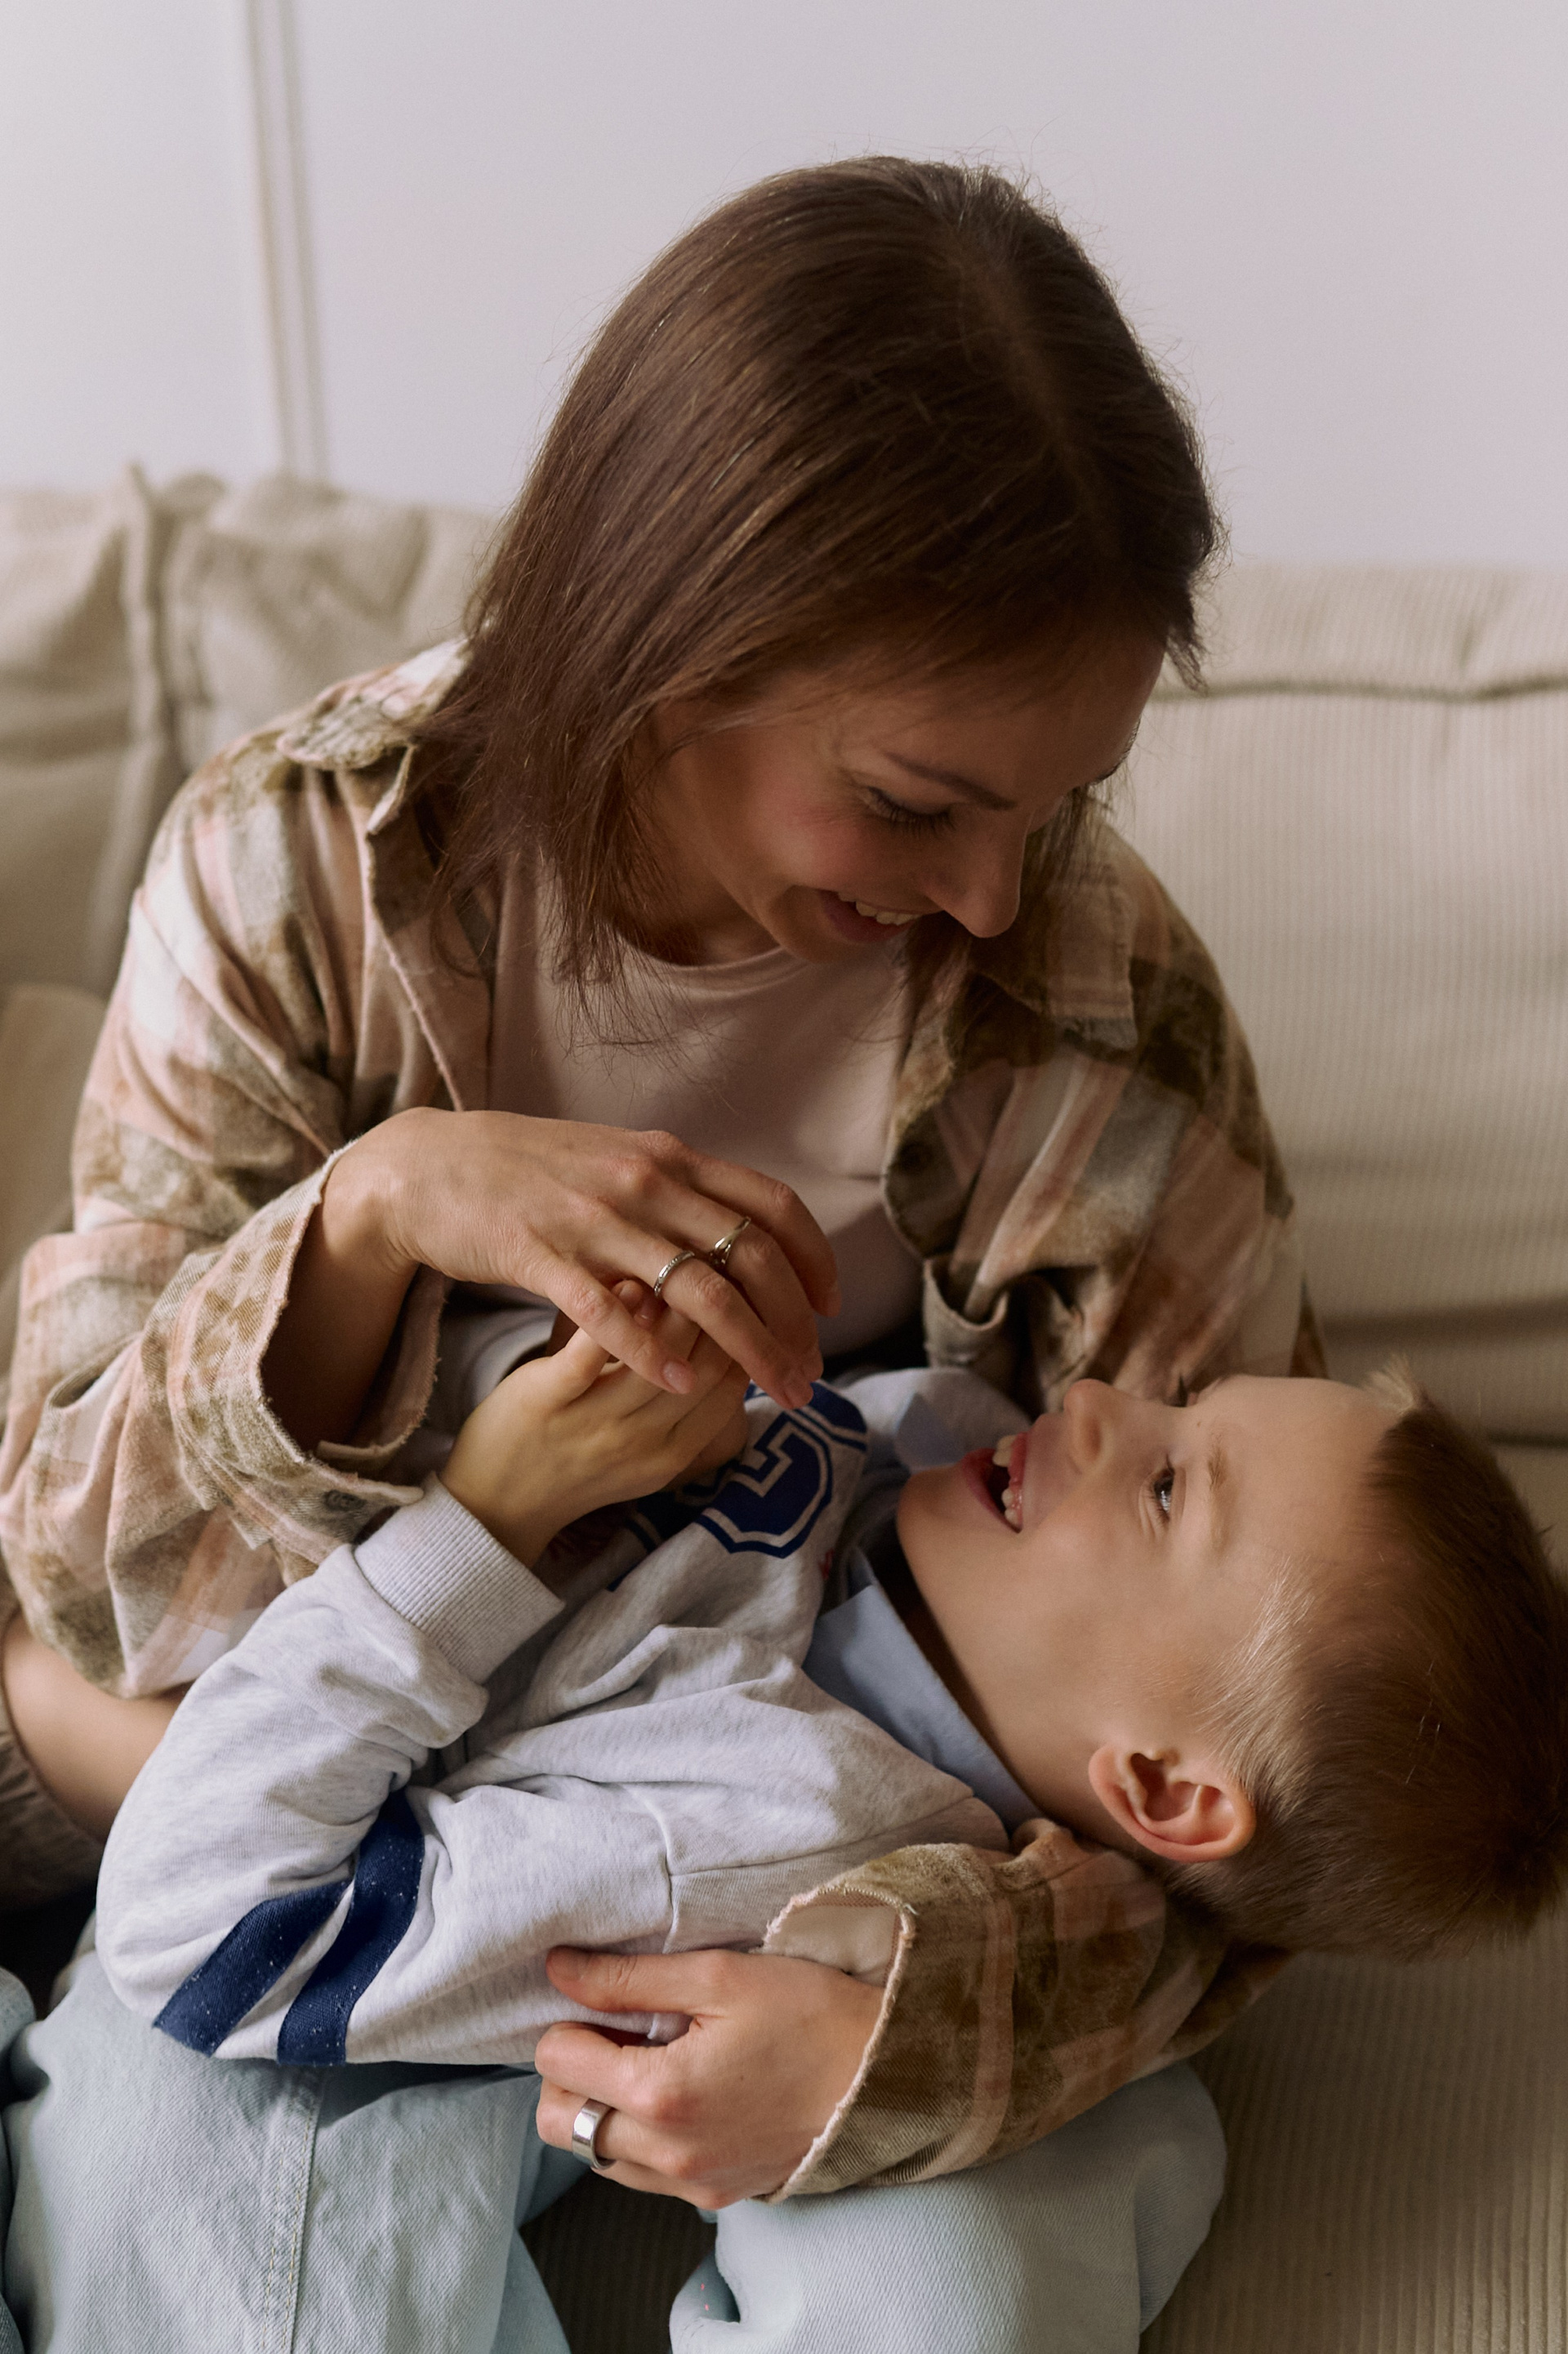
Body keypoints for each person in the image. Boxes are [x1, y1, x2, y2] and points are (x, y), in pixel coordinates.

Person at [0, 155, 1321, 2345]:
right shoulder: (300, 874)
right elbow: (76, 1584)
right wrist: (368, 1225)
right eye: (916, 804)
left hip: (860, 1883)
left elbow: (1284, 1735)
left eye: (1053, 803)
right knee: (183, 2223)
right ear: (674, 642)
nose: (996, 896)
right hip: (358, 1837)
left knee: (965, 2284)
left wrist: (895, 2030)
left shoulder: (1094, 1000)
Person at [25, 1319, 1565, 2354]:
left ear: (1160, 1786)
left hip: (284, 1964)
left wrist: (478, 1530)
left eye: (1167, 1488)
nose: (1098, 1396)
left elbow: (207, 1921)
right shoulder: (932, 1451)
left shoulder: (737, 1832)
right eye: (1181, 1401)